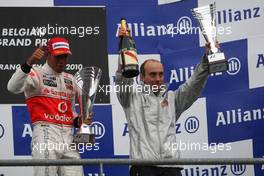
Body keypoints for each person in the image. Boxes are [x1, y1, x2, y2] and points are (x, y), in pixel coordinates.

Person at [116, 27, 212, 176]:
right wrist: (125, 48)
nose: (158, 78)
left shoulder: (172, 98)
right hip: (143, 166)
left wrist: (207, 60)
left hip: (171, 166)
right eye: (153, 74)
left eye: (160, 74)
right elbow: (123, 79)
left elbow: (193, 85)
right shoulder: (131, 97)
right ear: (141, 77)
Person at [7, 37, 84, 176]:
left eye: (65, 56)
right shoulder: (35, 73)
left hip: (69, 138)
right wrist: (29, 62)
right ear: (48, 55)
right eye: (58, 56)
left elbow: (70, 111)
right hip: (46, 135)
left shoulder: (70, 79)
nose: (62, 61)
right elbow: (12, 87)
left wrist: (77, 120)